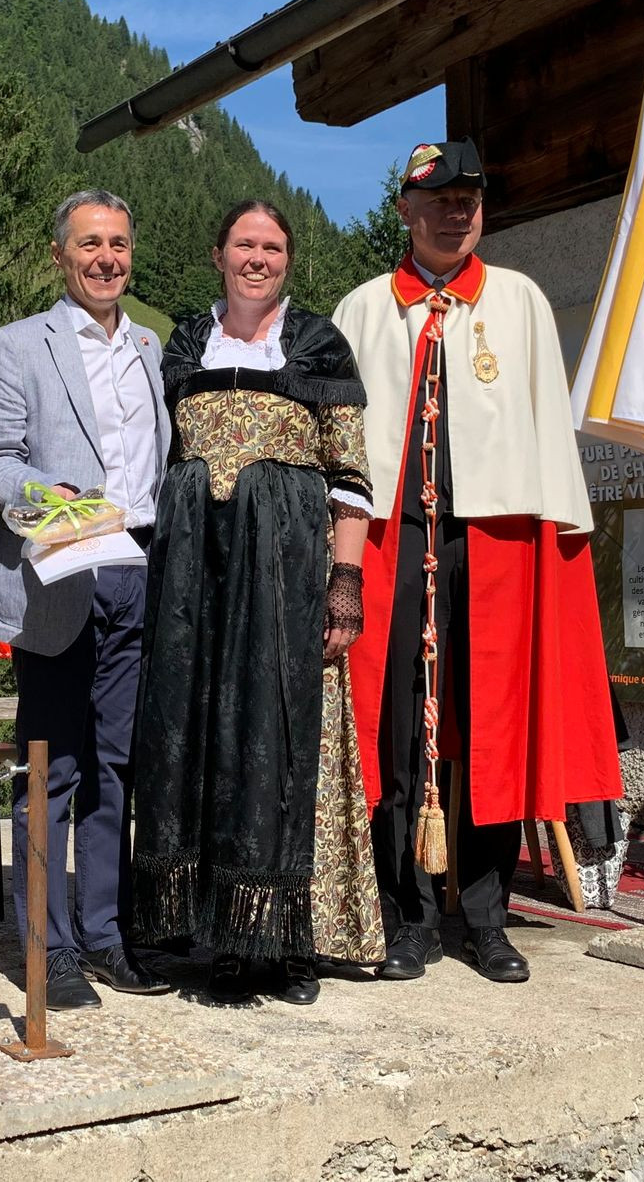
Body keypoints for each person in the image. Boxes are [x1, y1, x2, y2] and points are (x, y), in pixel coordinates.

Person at [333, 140, 622, 985]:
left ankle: (487, 919)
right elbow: (340, 447)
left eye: (469, 198)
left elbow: (546, 428)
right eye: (439, 199)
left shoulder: (520, 301)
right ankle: (407, 915)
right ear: (405, 211)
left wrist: (559, 543)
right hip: (392, 543)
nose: (457, 211)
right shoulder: (361, 310)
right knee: (393, 732)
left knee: (491, 727)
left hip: (493, 543)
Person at [132, 200, 385, 1005]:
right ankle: (226, 937)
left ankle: (295, 939)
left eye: (273, 246)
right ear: (217, 253)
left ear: (288, 260)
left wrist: (343, 585)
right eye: (245, 242)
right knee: (209, 743)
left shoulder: (317, 342)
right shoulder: (181, 343)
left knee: (287, 744)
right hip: (196, 581)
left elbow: (351, 478)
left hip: (286, 577)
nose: (259, 257)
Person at [0, 190, 173, 1010]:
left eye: (119, 244)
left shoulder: (154, 349)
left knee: (116, 765)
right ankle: (46, 945)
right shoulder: (17, 346)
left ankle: (104, 935)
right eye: (90, 244)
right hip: (57, 572)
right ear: (60, 255)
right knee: (50, 768)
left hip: (136, 573)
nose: (106, 259)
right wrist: (46, 496)